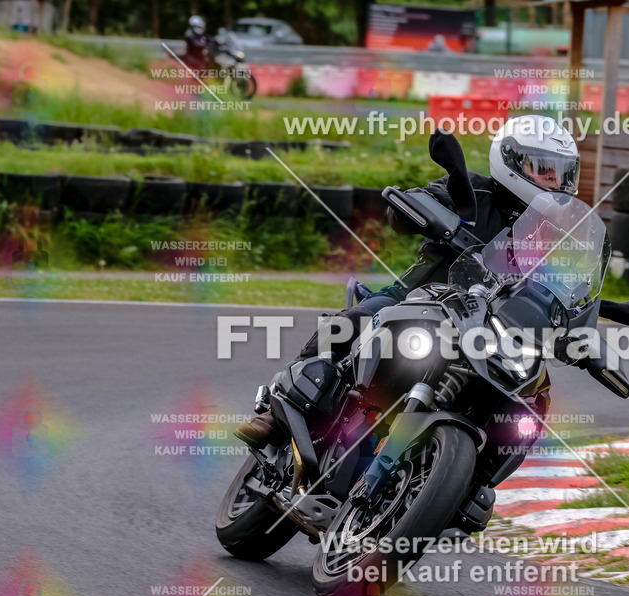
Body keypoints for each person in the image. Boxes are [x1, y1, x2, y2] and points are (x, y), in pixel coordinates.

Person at [234, 115, 581, 449]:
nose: (555, 181)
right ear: (511, 161)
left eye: (561, 173)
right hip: (414, 301)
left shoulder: (550, 236)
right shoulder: (474, 190)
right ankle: (278, 409)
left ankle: (465, 486)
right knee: (351, 323)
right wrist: (418, 209)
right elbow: (402, 213)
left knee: (525, 401)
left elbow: (562, 287)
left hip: (487, 335)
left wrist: (580, 321)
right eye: (544, 169)